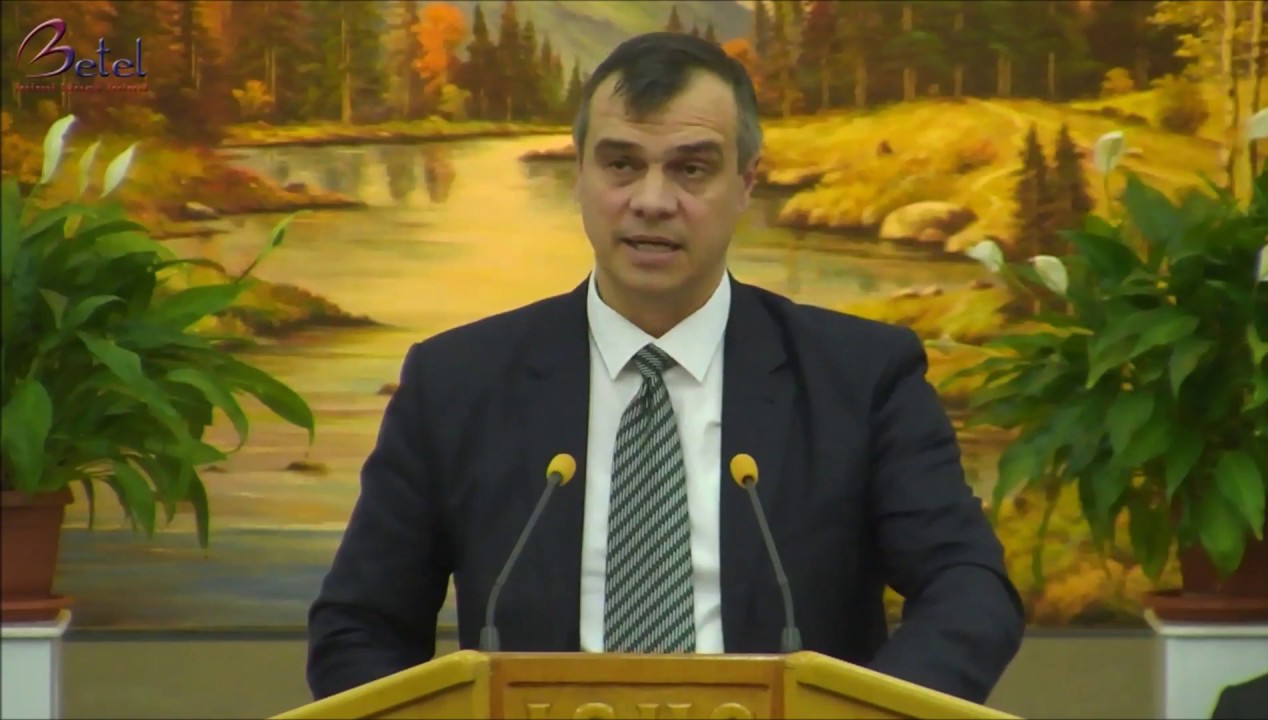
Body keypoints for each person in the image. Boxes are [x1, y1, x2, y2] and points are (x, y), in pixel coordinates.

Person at [306, 31, 1024, 705]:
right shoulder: (456, 383)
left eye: (691, 169)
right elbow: (359, 627)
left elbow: (968, 589)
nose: (651, 202)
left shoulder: (861, 378)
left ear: (745, 184)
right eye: (621, 165)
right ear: (580, 175)